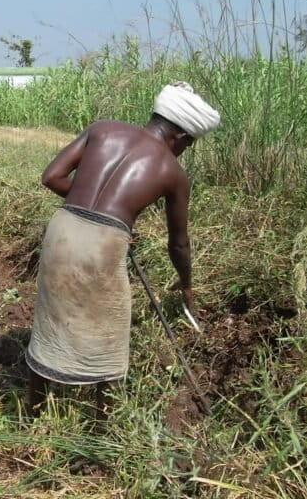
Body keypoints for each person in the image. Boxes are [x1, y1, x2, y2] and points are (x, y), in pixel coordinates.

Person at [26, 82, 220, 416]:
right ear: (182, 137)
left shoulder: (103, 129)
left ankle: (32, 411)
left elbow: (52, 177)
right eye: (189, 144)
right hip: (102, 245)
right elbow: (179, 242)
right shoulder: (173, 173)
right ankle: (104, 427)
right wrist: (186, 283)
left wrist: (95, 211)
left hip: (61, 228)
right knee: (112, 330)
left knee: (50, 315)